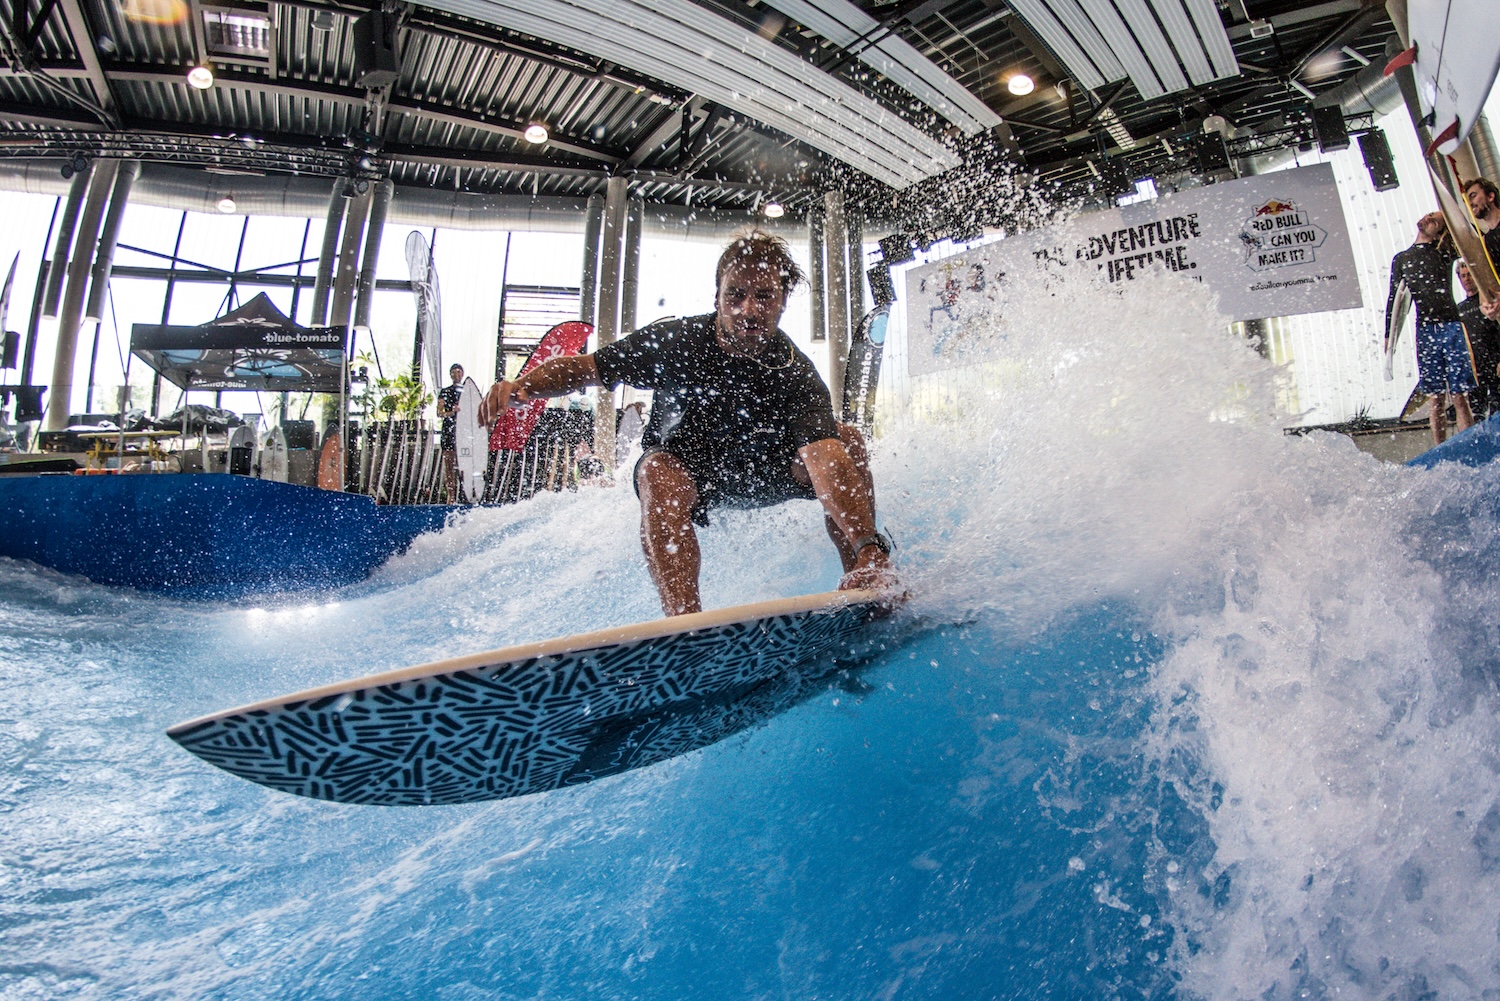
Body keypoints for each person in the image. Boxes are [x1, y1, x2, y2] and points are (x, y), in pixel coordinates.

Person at [481, 230, 895, 617]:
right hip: (692, 476)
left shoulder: (794, 372)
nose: (748, 309)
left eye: (764, 296)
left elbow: (823, 456)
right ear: (717, 297)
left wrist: (869, 546)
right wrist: (521, 387)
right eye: (736, 294)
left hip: (764, 473)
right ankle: (685, 623)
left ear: (782, 301)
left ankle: (866, 575)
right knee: (658, 473)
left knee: (848, 440)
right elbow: (587, 368)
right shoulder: (676, 344)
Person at [1386, 212, 1474, 445]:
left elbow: (1469, 236)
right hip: (1426, 331)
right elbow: (1394, 299)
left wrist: (1449, 221)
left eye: (1435, 220)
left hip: (1452, 326)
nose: (1428, 219)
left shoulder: (1443, 253)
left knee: (1459, 394)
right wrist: (1389, 336)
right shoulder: (1402, 258)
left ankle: (1467, 443)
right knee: (1435, 397)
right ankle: (1440, 447)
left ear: (1440, 233)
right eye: (1428, 216)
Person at [1457, 260, 1500, 421]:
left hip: (1494, 364)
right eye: (1463, 276)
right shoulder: (1459, 309)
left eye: (1469, 275)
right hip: (1475, 369)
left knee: (1497, 408)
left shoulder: (1488, 303)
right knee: (1477, 414)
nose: (1467, 279)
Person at [1461, 177, 1500, 321]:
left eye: (1473, 196)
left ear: (1490, 196)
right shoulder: (1484, 243)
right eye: (1467, 201)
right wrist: (1486, 307)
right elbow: (1485, 286)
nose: (1470, 203)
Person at [436, 363, 464, 500]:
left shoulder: (467, 391)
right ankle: (451, 495)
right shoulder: (445, 392)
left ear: (462, 374)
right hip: (449, 429)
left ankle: (465, 493)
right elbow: (439, 413)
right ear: (450, 374)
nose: (456, 375)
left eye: (458, 372)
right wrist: (452, 412)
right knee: (449, 464)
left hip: (463, 431)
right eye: (453, 372)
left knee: (464, 461)